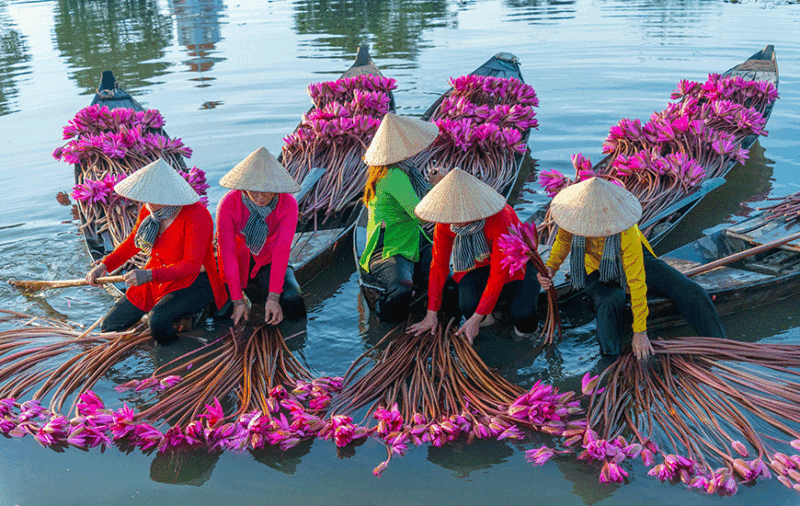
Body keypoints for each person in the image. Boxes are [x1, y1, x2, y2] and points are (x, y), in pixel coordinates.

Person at [538, 177, 726, 359]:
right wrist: (551, 268)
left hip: (633, 260)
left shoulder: (626, 233)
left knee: (691, 291)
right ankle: (609, 363)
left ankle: (720, 349)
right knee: (609, 301)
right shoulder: (573, 219)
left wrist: (640, 331)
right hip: (595, 267)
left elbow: (637, 282)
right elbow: (562, 243)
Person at [86, 158, 228, 345]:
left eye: (151, 196)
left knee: (158, 324)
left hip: (193, 281)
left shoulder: (197, 216)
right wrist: (104, 265)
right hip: (157, 277)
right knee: (110, 325)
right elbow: (133, 243)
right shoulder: (150, 211)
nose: (145, 201)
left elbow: (191, 266)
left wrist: (149, 275)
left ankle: (179, 353)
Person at [409, 169, 541, 344]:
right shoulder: (445, 223)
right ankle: (493, 332)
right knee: (468, 307)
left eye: (460, 214)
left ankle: (520, 340)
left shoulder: (499, 217)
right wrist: (431, 313)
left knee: (525, 317)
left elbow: (498, 273)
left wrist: (477, 318)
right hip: (475, 264)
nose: (455, 220)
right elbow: (439, 265)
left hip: (514, 263)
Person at [360, 113, 439, 322]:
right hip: (389, 244)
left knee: (444, 278)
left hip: (413, 236)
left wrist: (431, 185)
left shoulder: (403, 168)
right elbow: (421, 214)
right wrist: (441, 185)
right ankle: (387, 320)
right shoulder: (394, 175)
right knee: (401, 289)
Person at [215, 146, 306, 327]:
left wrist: (273, 297)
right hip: (238, 259)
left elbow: (281, 251)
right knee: (221, 313)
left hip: (267, 257)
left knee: (293, 299)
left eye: (266, 190)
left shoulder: (288, 204)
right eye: (253, 190)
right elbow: (228, 253)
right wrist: (238, 300)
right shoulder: (228, 203)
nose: (260, 197)